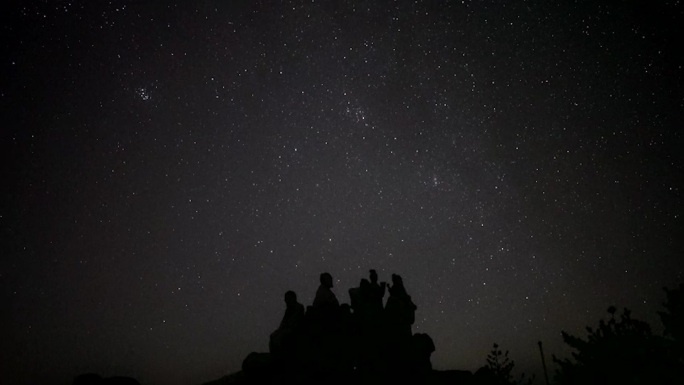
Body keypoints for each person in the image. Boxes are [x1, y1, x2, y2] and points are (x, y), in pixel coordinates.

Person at [269, 290, 304, 355]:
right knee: (273, 336)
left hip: (294, 329)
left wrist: (283, 329)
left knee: (280, 338)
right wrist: (279, 330)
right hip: (286, 328)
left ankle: (280, 354)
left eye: (287, 298)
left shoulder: (299, 307)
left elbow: (294, 320)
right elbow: (284, 321)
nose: (286, 301)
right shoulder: (288, 309)